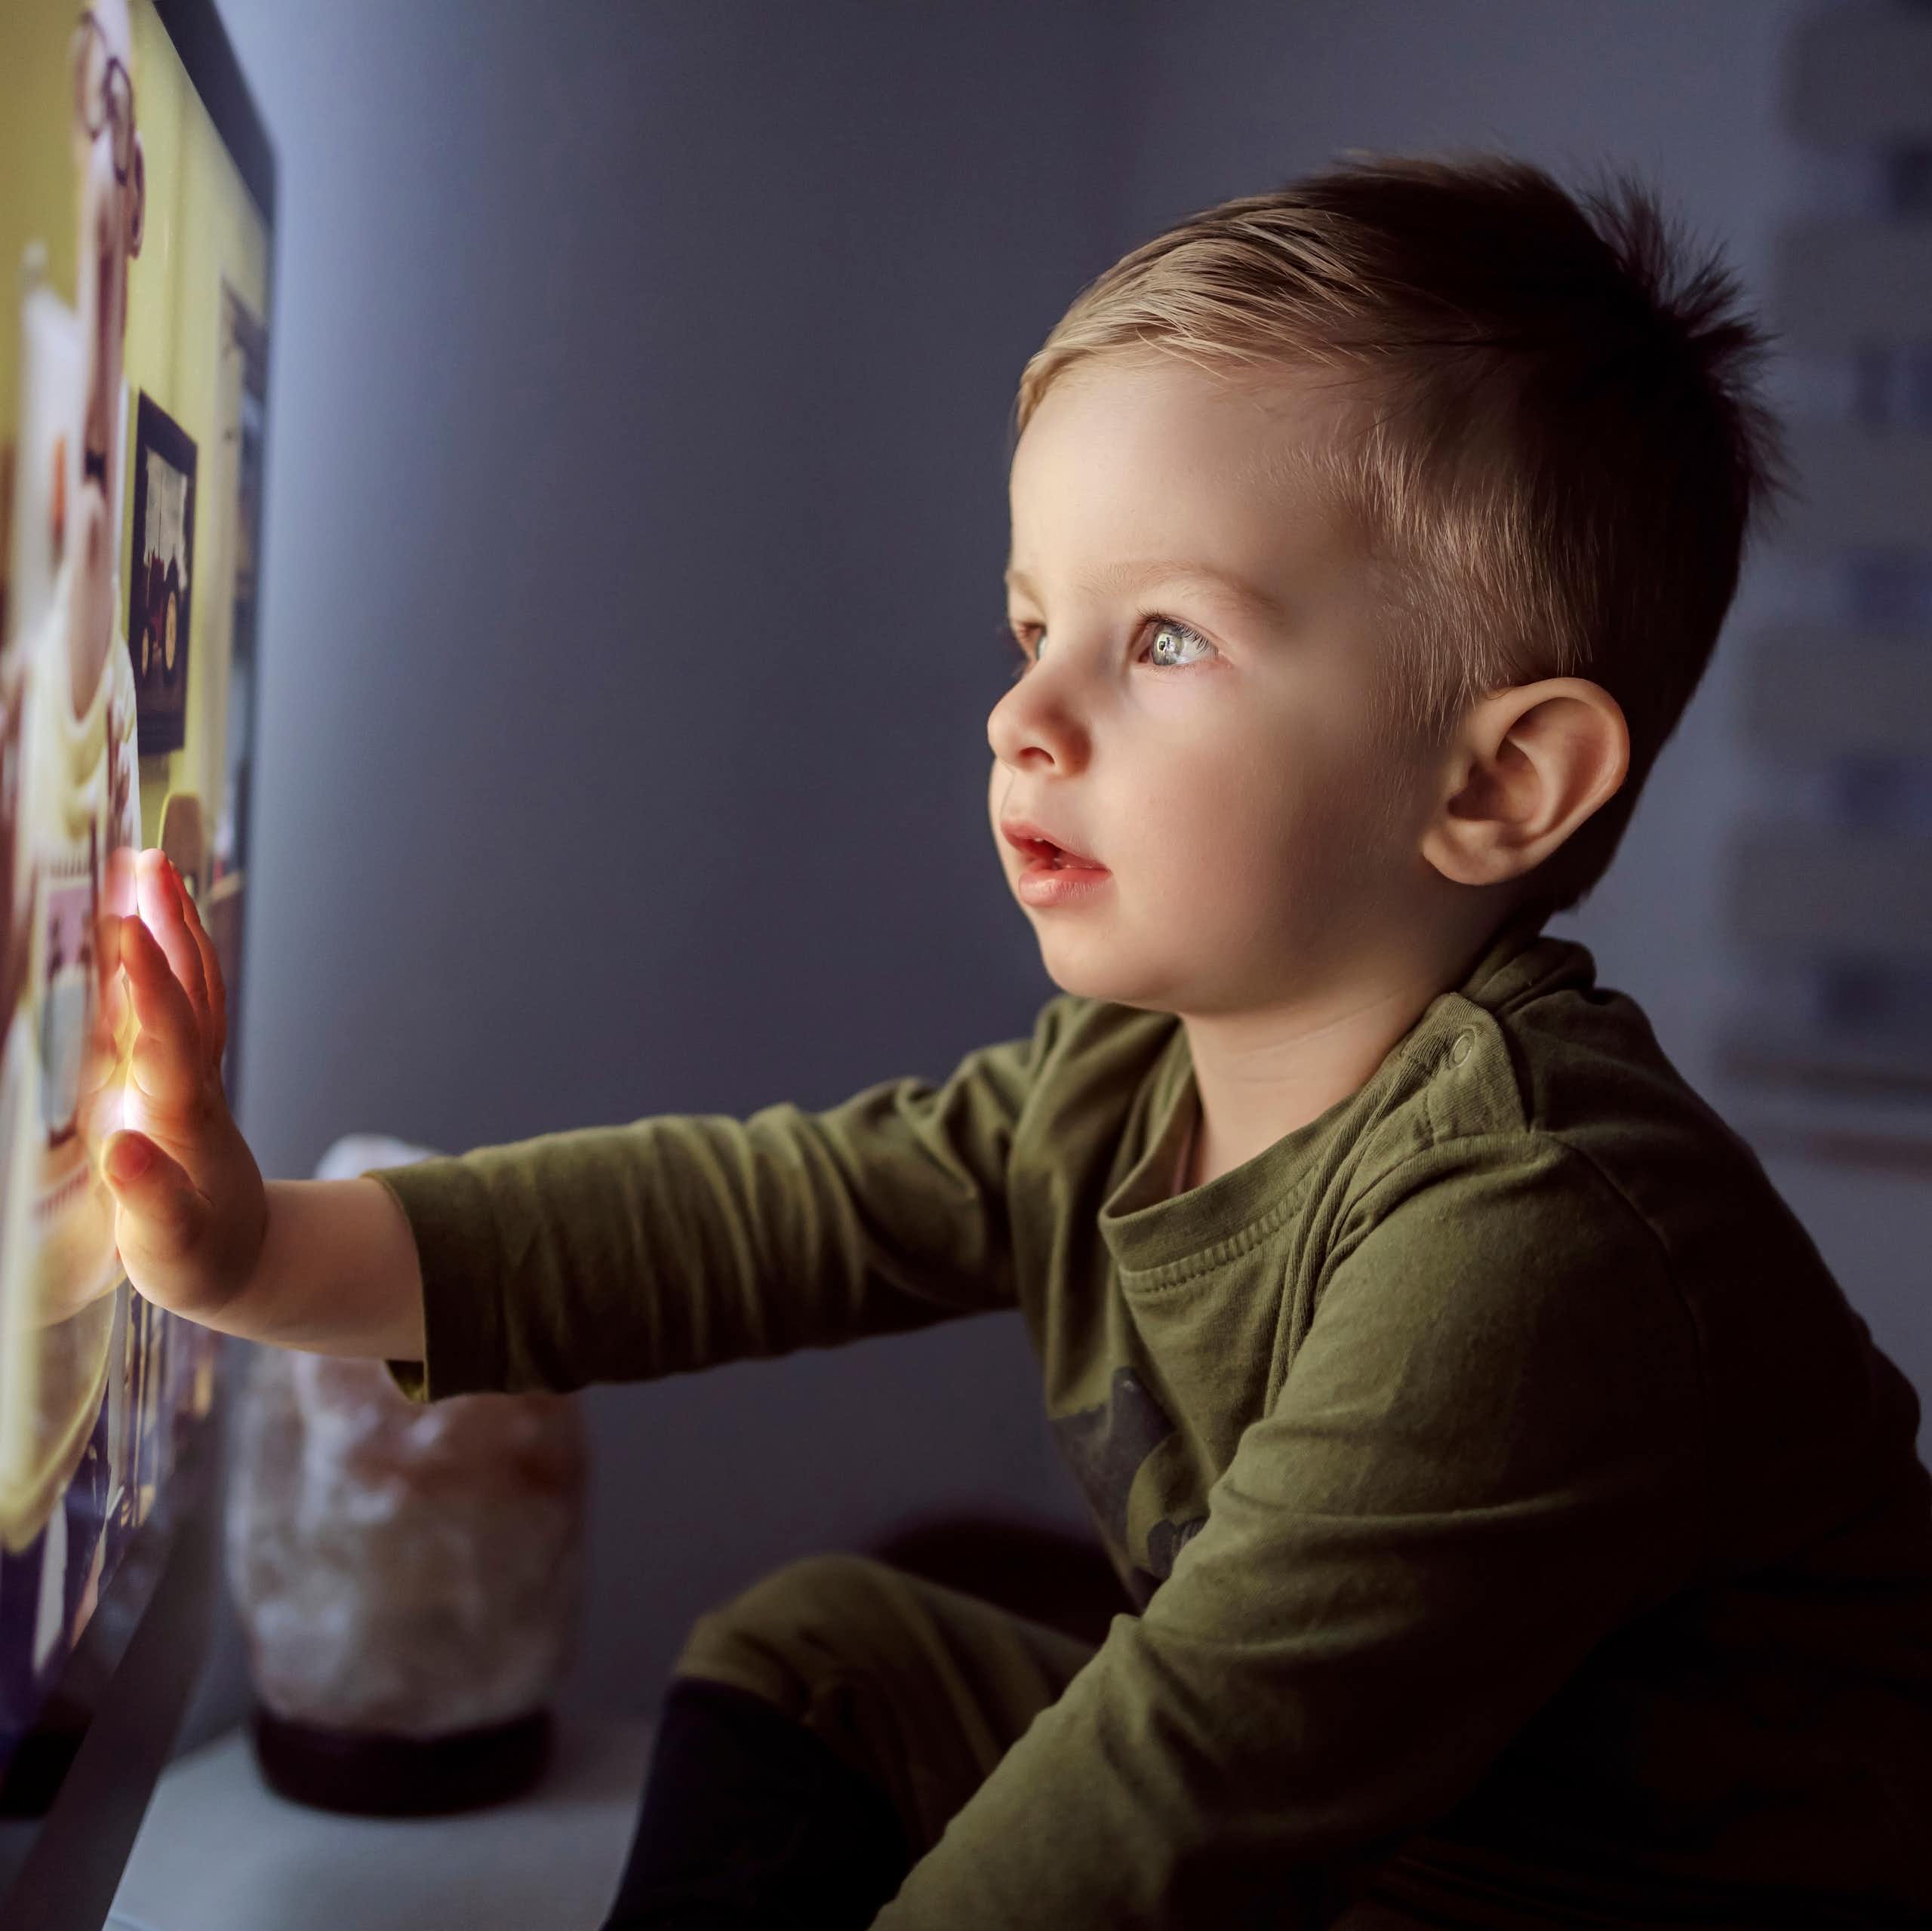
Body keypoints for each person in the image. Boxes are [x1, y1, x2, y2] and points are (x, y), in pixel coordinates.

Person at [96, 153, 1932, 1930]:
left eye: (1165, 640)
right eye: (1031, 622)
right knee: (832, 1649)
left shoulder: (1538, 1228)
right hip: (1380, 1849)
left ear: (1496, 779)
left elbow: (1169, 1802)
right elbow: (741, 1216)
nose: (1023, 713)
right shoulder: (1124, 1081)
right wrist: (259, 1249)